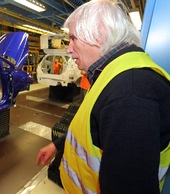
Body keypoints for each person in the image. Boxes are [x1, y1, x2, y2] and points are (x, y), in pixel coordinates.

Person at [36, 0, 170, 193]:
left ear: (99, 33)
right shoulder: (112, 74)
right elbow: (94, 128)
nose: (68, 49)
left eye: (73, 38)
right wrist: (58, 145)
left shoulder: (130, 92)